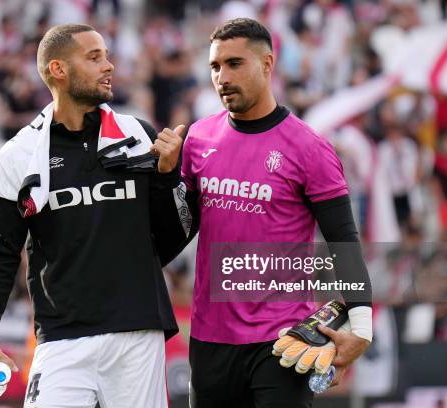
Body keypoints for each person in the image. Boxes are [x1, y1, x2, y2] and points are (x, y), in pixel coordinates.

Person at [0, 24, 191, 408]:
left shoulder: (138, 134)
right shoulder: (18, 155)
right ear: (58, 69)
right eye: (94, 58)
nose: (108, 66)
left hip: (138, 333)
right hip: (61, 338)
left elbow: (170, 239)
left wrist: (168, 177)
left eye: (106, 56)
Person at [181, 18, 373, 407]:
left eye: (235, 63)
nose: (222, 76)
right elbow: (177, 229)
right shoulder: (198, 139)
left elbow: (343, 240)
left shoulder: (309, 147)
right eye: (215, 66)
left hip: (282, 343)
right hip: (208, 342)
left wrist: (362, 329)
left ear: (267, 65)